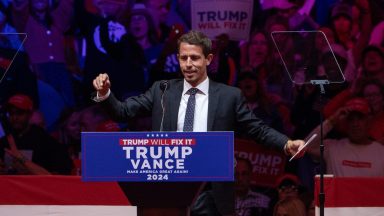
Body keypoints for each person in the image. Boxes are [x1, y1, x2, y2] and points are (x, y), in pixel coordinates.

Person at [92, 30, 305, 215]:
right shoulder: (161, 90)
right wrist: (105, 93)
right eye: (184, 58)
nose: (189, 64)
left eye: (195, 58)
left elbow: (256, 128)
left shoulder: (229, 96)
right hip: (167, 190)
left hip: (213, 191)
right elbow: (122, 111)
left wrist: (286, 144)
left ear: (208, 59)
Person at [307, 97, 384, 177]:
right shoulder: (332, 148)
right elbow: (306, 146)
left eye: (360, 119)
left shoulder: (381, 152)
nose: (355, 124)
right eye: (351, 119)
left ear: (369, 122)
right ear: (346, 123)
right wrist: (332, 120)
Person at [0, 94, 73, 175]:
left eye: (19, 113)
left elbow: (64, 169)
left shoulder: (44, 140)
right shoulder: (5, 141)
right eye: (11, 114)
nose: (14, 118)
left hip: (36, 186)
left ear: (30, 114)